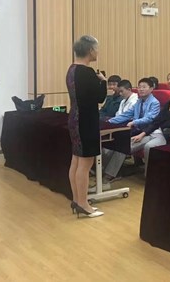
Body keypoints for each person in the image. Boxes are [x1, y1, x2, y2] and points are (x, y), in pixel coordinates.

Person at [66, 35, 107, 218]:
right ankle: (83, 204)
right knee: (85, 163)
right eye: (96, 49)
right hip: (86, 120)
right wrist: (103, 81)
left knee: (76, 160)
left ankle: (77, 200)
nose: (97, 52)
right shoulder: (87, 72)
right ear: (90, 50)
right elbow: (100, 98)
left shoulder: (71, 69)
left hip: (74, 118)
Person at [130, 82, 170, 166]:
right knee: (129, 144)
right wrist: (142, 134)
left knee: (149, 147)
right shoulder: (169, 103)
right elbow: (157, 121)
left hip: (167, 134)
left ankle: (150, 173)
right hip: (155, 132)